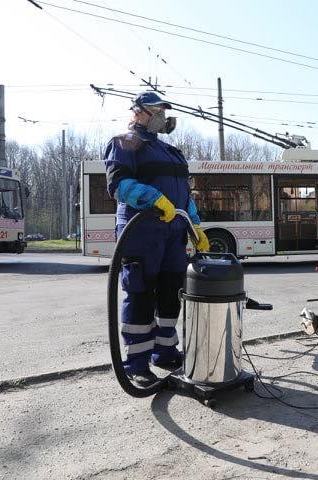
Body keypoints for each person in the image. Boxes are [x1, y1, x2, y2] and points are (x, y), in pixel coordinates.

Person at [104, 91, 210, 387]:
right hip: (141, 233)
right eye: (157, 111)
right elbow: (119, 185)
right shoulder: (125, 143)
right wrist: (154, 199)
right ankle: (137, 363)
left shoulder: (172, 152)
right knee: (140, 295)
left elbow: (185, 196)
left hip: (174, 233)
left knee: (170, 294)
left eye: (164, 111)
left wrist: (196, 227)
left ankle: (164, 352)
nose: (163, 117)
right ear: (139, 113)